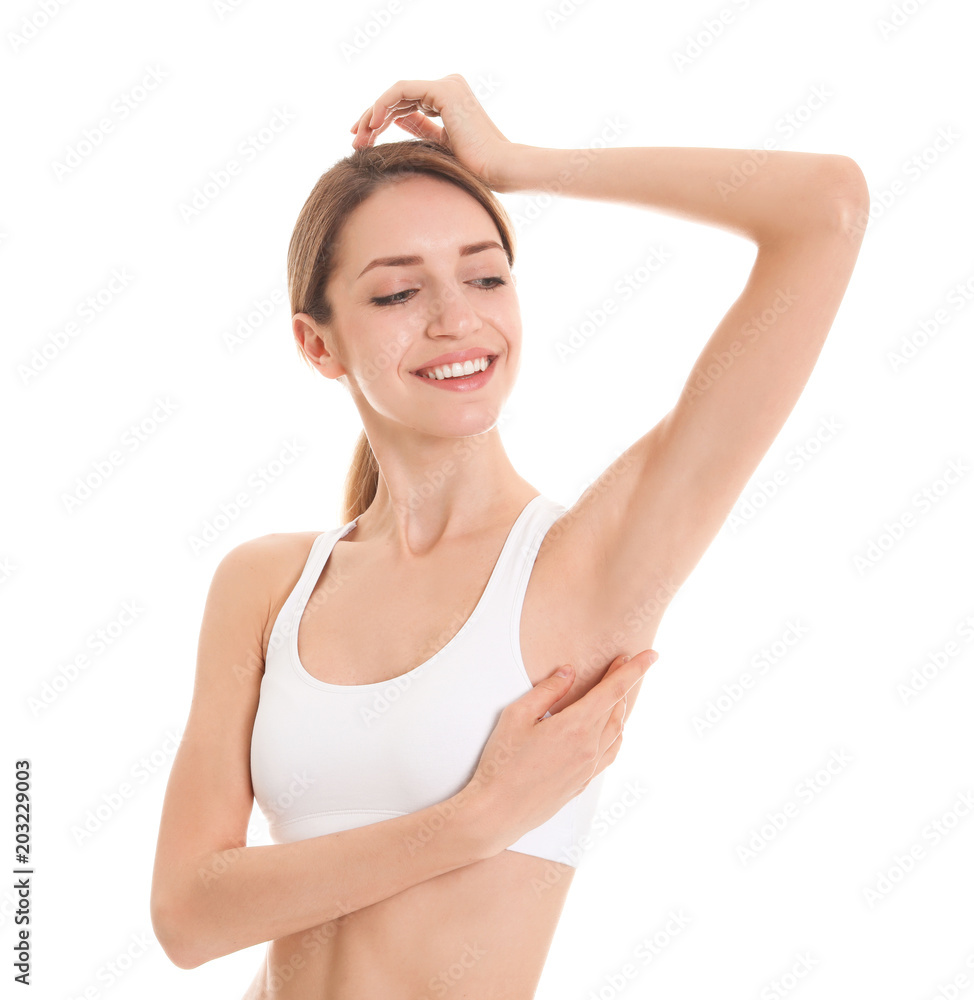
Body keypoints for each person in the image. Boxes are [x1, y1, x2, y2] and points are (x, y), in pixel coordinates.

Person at [149, 74, 868, 998]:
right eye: (397, 292)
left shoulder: (587, 566)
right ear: (318, 344)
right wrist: (471, 822)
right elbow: (187, 916)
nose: (458, 319)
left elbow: (826, 209)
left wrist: (521, 165)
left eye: (486, 276)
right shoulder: (266, 584)